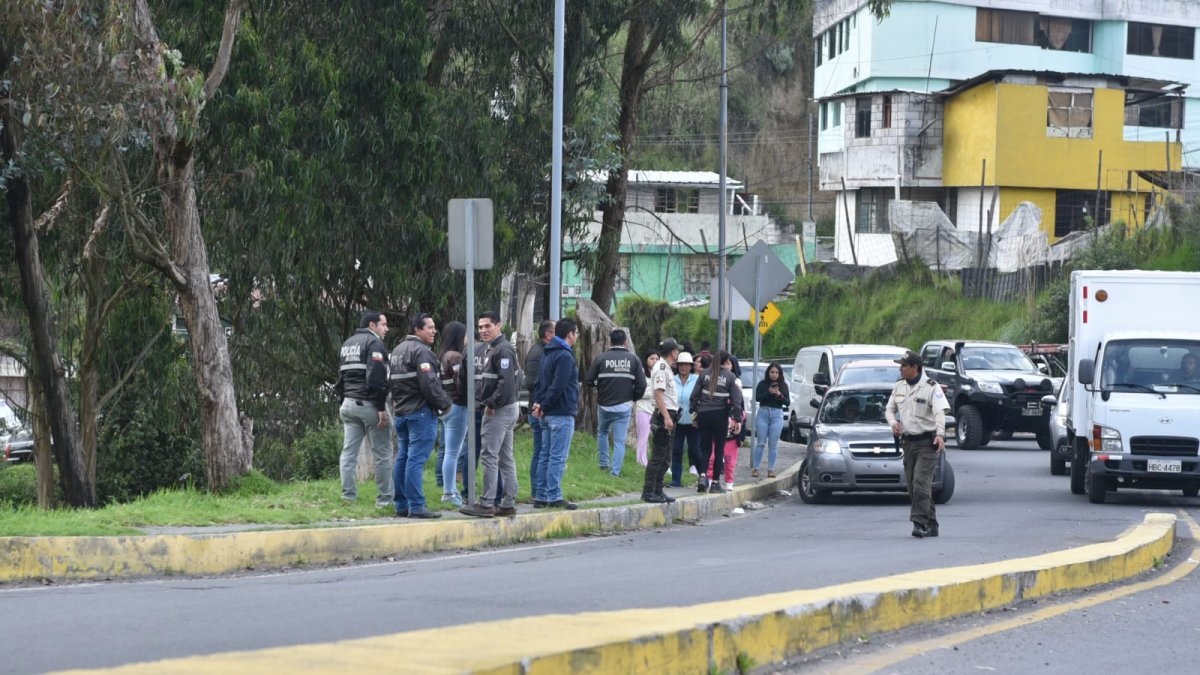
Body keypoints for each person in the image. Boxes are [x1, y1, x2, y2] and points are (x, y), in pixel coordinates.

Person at [389, 314, 453, 519]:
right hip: (420, 412)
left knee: (403, 457)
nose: (434, 331)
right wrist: (445, 404)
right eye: (430, 328)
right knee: (415, 459)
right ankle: (416, 505)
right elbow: (429, 384)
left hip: (401, 412)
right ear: (417, 330)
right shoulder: (422, 352)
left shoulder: (397, 350)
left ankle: (401, 505)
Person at [460, 311, 520, 518]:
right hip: (507, 408)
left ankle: (486, 503)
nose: (483, 330)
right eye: (481, 327)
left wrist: (492, 404)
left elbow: (506, 383)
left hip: (499, 410)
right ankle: (508, 502)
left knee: (489, 456)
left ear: (499, 326)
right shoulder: (493, 349)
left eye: (488, 326)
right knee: (505, 458)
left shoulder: (502, 350)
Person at [885, 350, 950, 539]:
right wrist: (893, 424)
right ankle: (932, 523)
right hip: (908, 443)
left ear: (915, 367)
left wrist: (940, 434)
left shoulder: (931, 387)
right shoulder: (899, 387)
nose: (900, 369)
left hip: (926, 443)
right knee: (913, 488)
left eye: (904, 366)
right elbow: (889, 410)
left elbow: (939, 413)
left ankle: (919, 523)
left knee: (920, 484)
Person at [335, 311, 393, 507]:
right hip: (368, 405)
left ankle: (348, 497)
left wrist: (344, 400)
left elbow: (341, 377)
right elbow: (376, 378)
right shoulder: (374, 344)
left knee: (348, 453)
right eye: (383, 325)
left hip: (348, 405)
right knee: (383, 453)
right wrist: (380, 408)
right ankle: (385, 499)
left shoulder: (348, 344)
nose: (386, 329)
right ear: (372, 325)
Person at [532, 318, 581, 510]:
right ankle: (554, 496)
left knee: (545, 455)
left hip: (547, 413)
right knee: (557, 457)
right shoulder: (565, 356)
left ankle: (541, 496)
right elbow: (558, 385)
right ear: (570, 334)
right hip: (561, 412)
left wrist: (540, 404)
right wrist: (544, 404)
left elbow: (541, 382)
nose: (576, 337)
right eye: (575, 333)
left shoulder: (547, 352)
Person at [585, 328, 647, 477]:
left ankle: (603, 464)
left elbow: (588, 380)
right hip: (624, 405)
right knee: (619, 441)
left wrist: (600, 386)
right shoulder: (633, 359)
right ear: (625, 342)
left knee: (603, 433)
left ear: (610, 341)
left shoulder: (601, 358)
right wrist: (634, 397)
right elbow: (642, 384)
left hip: (604, 405)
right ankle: (615, 472)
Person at [690, 350, 744, 493]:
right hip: (720, 416)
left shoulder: (703, 374)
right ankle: (715, 483)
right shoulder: (730, 377)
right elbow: (736, 401)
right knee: (719, 449)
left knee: (705, 448)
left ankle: (702, 476)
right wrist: (737, 419)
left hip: (703, 415)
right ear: (726, 362)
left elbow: (694, 397)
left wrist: (694, 415)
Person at [642, 339, 681, 504]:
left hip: (669, 414)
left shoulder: (667, 368)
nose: (678, 354)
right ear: (672, 352)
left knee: (666, 456)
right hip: (663, 415)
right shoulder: (661, 368)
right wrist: (666, 417)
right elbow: (658, 394)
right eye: (677, 351)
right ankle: (648, 491)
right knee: (658, 455)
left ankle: (658, 490)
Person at [437, 321, 469, 508]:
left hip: (446, 407)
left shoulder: (441, 355)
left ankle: (449, 490)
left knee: (449, 450)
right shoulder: (455, 357)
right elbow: (461, 384)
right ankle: (449, 492)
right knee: (453, 452)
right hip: (457, 406)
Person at [525, 320, 555, 506]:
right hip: (538, 410)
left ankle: (539, 490)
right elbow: (534, 384)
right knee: (541, 452)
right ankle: (537, 490)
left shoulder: (542, 351)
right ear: (548, 335)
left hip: (539, 408)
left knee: (543, 451)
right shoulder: (539, 353)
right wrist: (540, 405)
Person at [750, 362, 789, 479]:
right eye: (772, 372)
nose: (774, 374)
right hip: (763, 413)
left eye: (776, 372)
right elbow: (758, 398)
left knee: (773, 444)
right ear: (768, 373)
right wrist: (769, 392)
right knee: (761, 442)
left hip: (777, 414)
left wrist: (779, 395)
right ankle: (756, 468)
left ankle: (771, 469)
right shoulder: (763, 384)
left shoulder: (783, 385)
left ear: (779, 374)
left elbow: (787, 402)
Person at [669, 352, 701, 487]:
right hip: (677, 422)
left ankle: (703, 476)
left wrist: (698, 418)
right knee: (676, 450)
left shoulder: (697, 379)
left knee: (695, 450)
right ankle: (676, 480)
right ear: (677, 366)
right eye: (681, 364)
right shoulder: (672, 379)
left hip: (694, 422)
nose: (683, 367)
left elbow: (702, 399)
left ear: (690, 366)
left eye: (686, 365)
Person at [633, 352, 660, 467]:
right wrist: (652, 393)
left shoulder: (659, 374)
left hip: (655, 410)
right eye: (651, 358)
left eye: (656, 359)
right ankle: (641, 461)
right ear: (646, 360)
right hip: (642, 408)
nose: (654, 361)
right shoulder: (641, 373)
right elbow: (638, 391)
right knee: (643, 436)